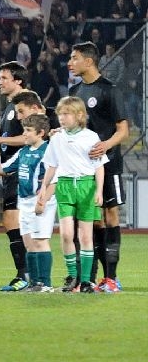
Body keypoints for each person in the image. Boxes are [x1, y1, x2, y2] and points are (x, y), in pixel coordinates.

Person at [0, 114, 56, 292]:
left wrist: (43, 200)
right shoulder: (23, 151)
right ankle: (34, 282)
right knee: (28, 243)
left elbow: (55, 179)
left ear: (41, 133)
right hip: (24, 201)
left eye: (28, 130)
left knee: (40, 241)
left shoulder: (48, 151)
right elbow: (5, 168)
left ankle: (45, 284)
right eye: (24, 130)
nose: (25, 134)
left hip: (40, 201)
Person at [67, 42, 128, 292]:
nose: (70, 63)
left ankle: (111, 278)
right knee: (92, 221)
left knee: (111, 215)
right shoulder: (74, 91)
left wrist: (106, 145)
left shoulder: (109, 90)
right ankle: (90, 278)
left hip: (109, 164)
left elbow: (123, 130)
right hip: (83, 167)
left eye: (74, 58)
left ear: (89, 61)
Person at [38, 97, 107, 293]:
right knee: (67, 234)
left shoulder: (91, 137)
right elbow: (52, 165)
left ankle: (85, 281)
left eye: (66, 114)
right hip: (65, 186)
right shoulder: (56, 138)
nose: (62, 117)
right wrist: (43, 187)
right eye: (60, 114)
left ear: (79, 115)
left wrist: (99, 191)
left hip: (86, 186)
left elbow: (99, 166)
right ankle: (72, 276)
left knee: (85, 236)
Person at [0, 61, 30, 290]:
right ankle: (25, 274)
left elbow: (31, 136)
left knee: (16, 221)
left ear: (18, 80)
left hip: (23, 171)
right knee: (10, 221)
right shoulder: (11, 106)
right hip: (10, 171)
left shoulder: (25, 104)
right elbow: (5, 140)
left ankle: (26, 274)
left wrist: (0, 139)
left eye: (4, 78)